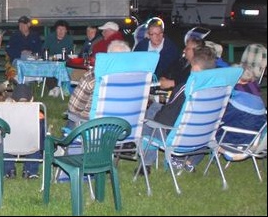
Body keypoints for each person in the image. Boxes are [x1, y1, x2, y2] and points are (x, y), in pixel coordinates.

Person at [138, 45, 217, 175]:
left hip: (178, 138)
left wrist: (153, 118)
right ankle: (189, 161)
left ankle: (146, 164)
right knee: (157, 107)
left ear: (195, 68)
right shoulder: (218, 89)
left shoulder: (186, 89)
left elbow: (165, 117)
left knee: (148, 119)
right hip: (202, 137)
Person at [67, 40, 131, 124]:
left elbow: (74, 108)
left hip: (92, 127)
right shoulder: (138, 78)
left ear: (108, 57)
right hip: (125, 126)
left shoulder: (93, 76)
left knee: (71, 118)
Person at [2, 84, 45, 180]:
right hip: (31, 146)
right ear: (32, 99)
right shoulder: (38, 115)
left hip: (10, 145)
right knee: (36, 141)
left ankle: (9, 170)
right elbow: (42, 137)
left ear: (13, 100)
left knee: (4, 139)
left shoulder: (5, 114)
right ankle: (30, 171)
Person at [4, 16, 42, 81]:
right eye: (20, 25)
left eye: (24, 24)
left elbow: (40, 49)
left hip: (32, 59)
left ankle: (25, 81)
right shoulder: (15, 36)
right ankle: (24, 81)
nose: (21, 26)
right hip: (18, 59)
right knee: (21, 63)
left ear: (29, 24)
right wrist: (20, 53)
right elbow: (8, 49)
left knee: (36, 63)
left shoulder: (35, 36)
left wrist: (32, 53)